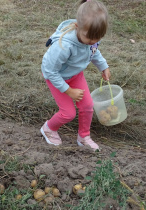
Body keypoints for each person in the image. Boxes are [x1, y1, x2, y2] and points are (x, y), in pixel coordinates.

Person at [40, 0, 111, 151]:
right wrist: (68, 90)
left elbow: (94, 51)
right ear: (78, 27)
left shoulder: (90, 38)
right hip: (56, 77)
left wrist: (103, 66)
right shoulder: (64, 46)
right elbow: (50, 70)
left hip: (75, 75)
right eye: (90, 38)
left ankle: (83, 136)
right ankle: (48, 128)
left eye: (97, 38)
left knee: (87, 105)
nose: (93, 41)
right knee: (68, 113)